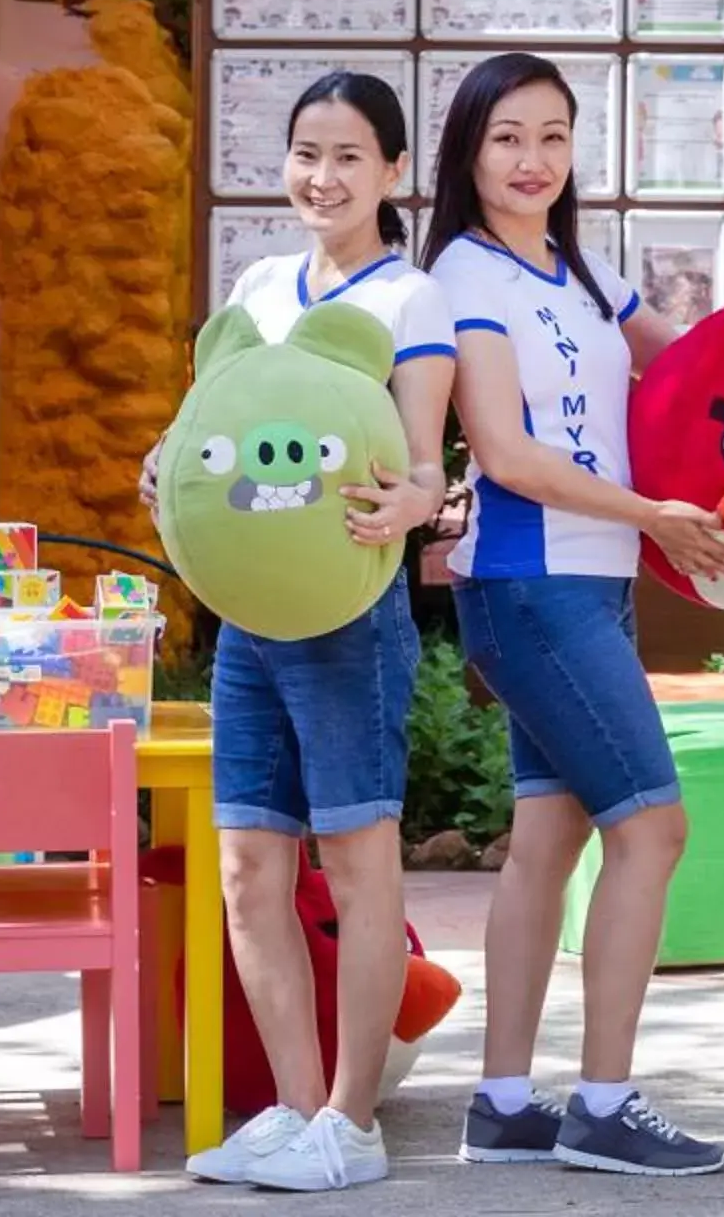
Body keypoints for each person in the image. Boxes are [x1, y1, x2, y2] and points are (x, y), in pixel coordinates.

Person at [418, 52, 724, 1179]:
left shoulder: (577, 269)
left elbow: (695, 363)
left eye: (554, 136)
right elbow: (505, 454)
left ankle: (505, 1102)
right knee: (652, 825)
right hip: (530, 580)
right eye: (510, 136)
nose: (533, 159)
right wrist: (656, 509)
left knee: (547, 840)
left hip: (589, 582)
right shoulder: (464, 275)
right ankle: (602, 1105)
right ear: (469, 148)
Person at [149, 71, 452, 1193]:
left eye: (347, 156)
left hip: (351, 615)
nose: (321, 177)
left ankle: (352, 1118)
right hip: (246, 625)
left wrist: (419, 501)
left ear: (391, 172)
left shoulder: (410, 300)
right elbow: (207, 433)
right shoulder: (259, 287)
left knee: (360, 864)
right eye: (305, 152)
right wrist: (164, 468)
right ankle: (290, 1107)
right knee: (247, 869)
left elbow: (424, 459)